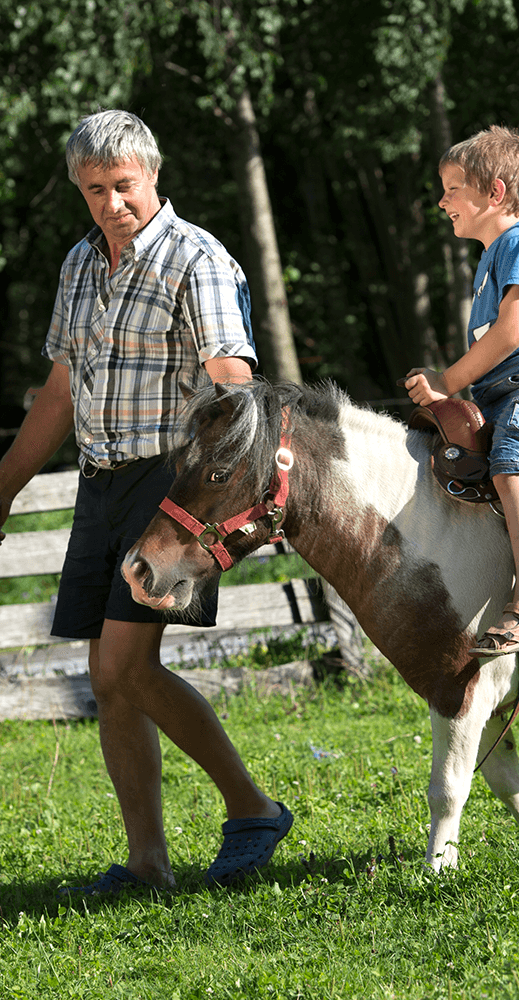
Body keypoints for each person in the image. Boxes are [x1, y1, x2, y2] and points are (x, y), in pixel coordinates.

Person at [0, 110, 292, 894]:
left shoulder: (197, 259)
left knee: (125, 663)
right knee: (108, 676)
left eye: (122, 185)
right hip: (100, 484)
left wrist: (242, 489)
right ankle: (146, 862)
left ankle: (252, 808)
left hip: (171, 490)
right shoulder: (79, 265)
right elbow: (60, 393)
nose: (109, 203)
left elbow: (233, 385)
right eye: (94, 189)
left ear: (153, 175)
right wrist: (3, 487)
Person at [404, 125, 519, 656]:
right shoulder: (490, 257)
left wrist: (447, 382)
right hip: (500, 390)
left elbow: (513, 331)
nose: (442, 201)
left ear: (496, 193)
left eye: (453, 188)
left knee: (510, 464)